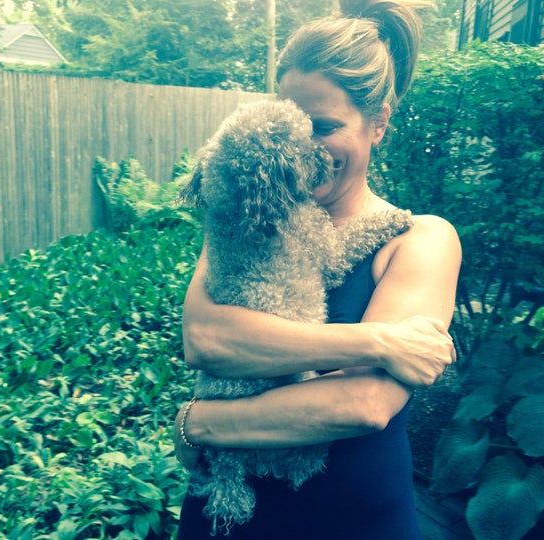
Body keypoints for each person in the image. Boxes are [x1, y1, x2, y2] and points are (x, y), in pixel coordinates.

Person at [174, 0, 461, 538]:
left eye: (325, 126)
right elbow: (207, 340)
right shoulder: (249, 219)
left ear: (378, 125)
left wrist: (201, 424)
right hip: (223, 519)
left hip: (353, 523)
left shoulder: (421, 238)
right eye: (293, 125)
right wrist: (380, 342)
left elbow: (363, 402)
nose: (304, 148)